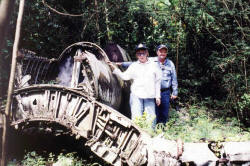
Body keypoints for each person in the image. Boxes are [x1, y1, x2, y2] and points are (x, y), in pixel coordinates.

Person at [116, 44, 178, 124]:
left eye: (164, 52)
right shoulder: (152, 61)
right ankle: (151, 129)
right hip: (151, 92)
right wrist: (121, 64)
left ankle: (161, 130)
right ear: (157, 52)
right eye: (160, 51)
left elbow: (174, 78)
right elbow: (135, 63)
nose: (162, 53)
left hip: (165, 92)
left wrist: (175, 92)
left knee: (164, 112)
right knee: (153, 113)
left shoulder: (170, 63)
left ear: (166, 53)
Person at [108, 43, 162, 127]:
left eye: (143, 53)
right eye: (139, 54)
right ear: (136, 55)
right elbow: (125, 76)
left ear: (147, 53)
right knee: (136, 119)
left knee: (150, 119)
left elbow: (157, 81)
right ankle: (138, 137)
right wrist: (114, 68)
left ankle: (150, 136)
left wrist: (158, 96)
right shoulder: (134, 66)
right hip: (136, 96)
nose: (141, 55)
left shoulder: (154, 65)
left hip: (150, 96)